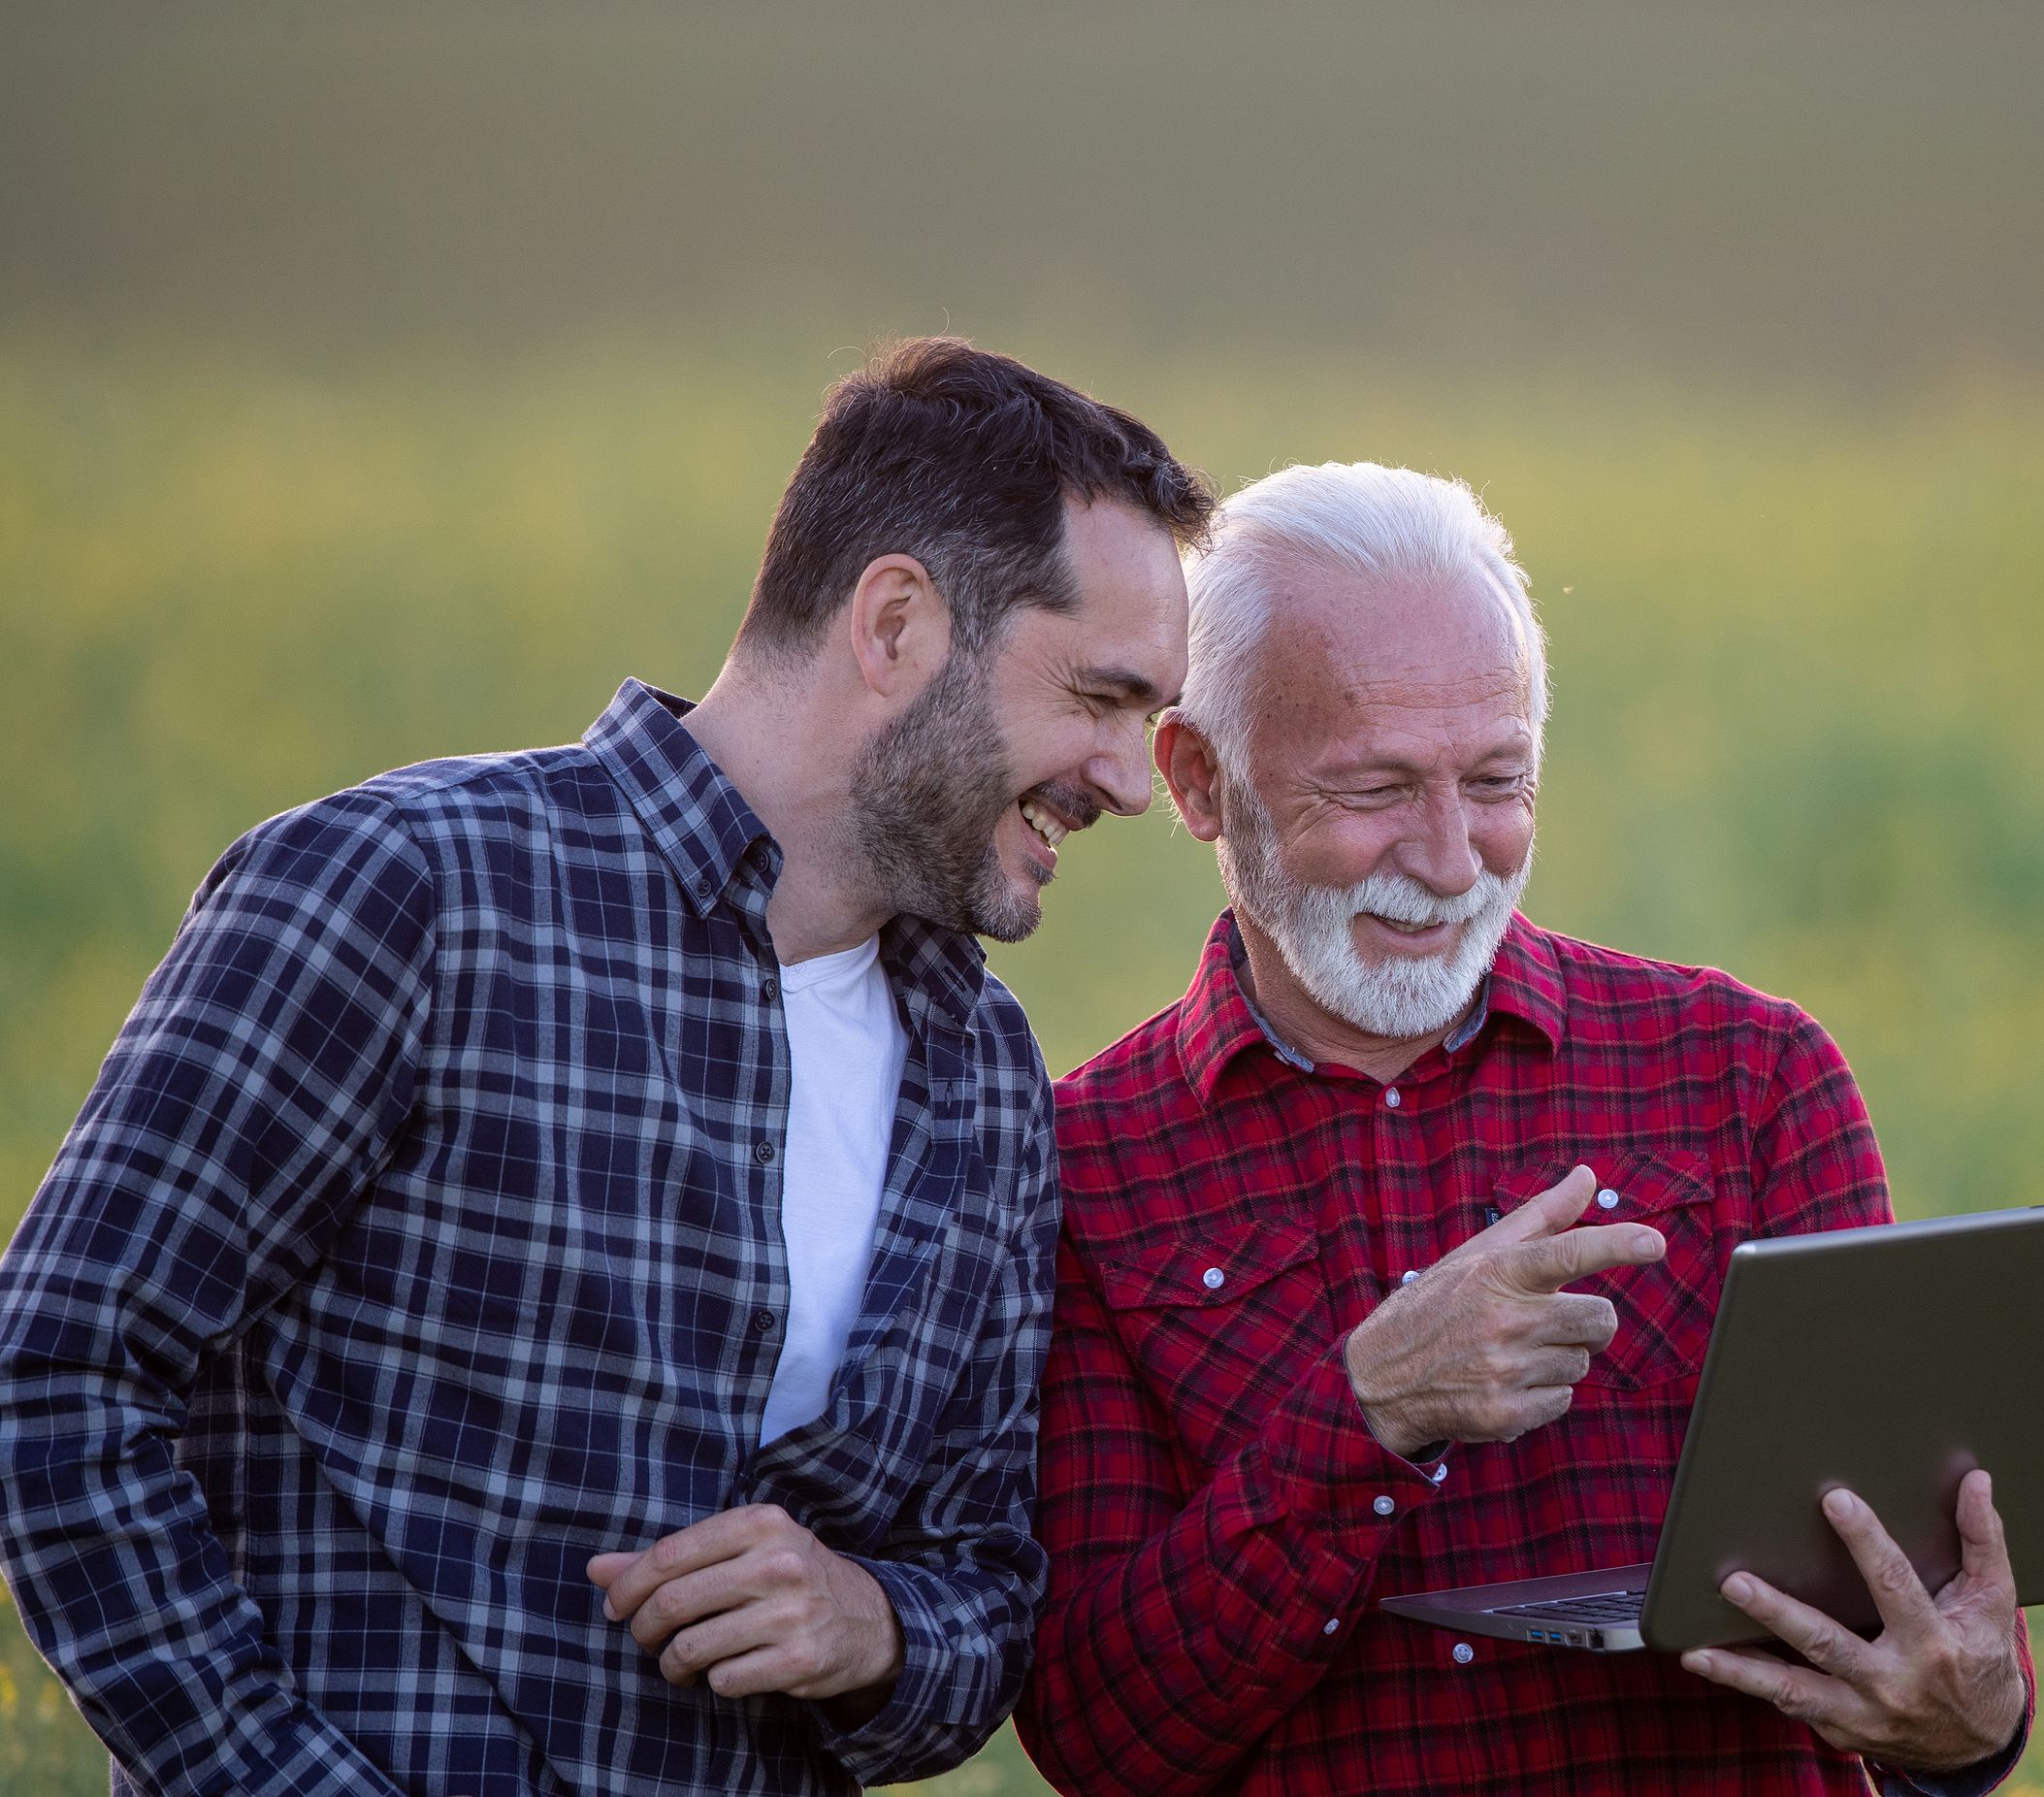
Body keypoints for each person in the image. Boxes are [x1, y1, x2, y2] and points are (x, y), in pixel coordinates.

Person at [0, 339, 1211, 1796]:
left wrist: (870, 1624)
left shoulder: (984, 1076)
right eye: (1100, 696)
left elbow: (985, 1588)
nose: (1133, 781)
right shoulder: (408, 893)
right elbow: (59, 1374)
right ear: (895, 625)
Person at [1015, 462, 2036, 1794]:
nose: (1450, 859)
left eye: (1496, 780)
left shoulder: (1751, 1079)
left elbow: (1929, 1615)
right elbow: (1102, 1733)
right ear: (1201, 782)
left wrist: (1968, 1726)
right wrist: (1369, 1412)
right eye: (1376, 790)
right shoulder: (1080, 1169)